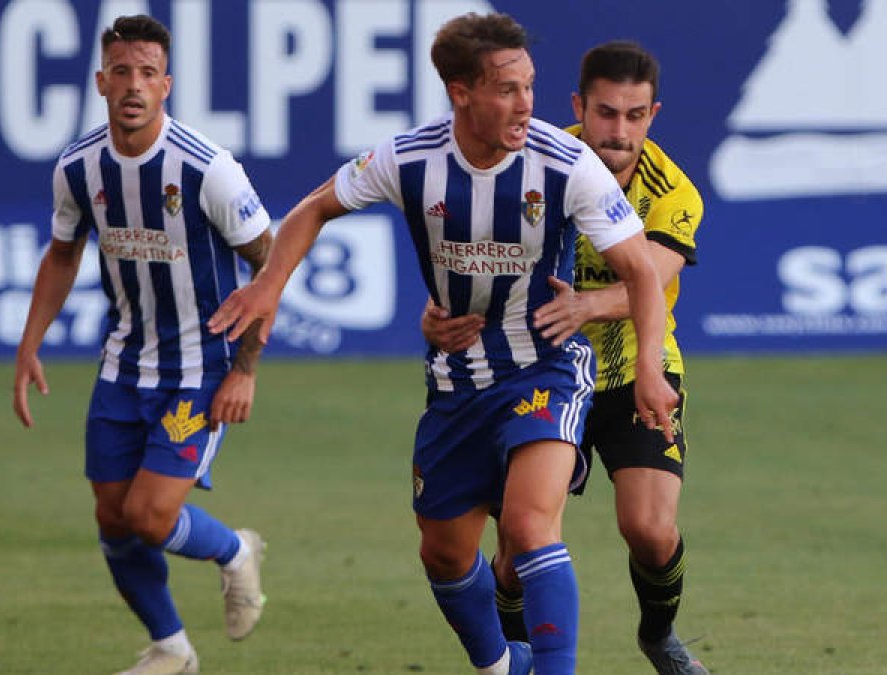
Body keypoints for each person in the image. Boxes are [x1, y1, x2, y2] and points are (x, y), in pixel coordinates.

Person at [207, 13, 678, 675]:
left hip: (543, 363)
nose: (526, 104)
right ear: (462, 94)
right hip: (458, 379)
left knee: (527, 526)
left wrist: (651, 367)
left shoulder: (565, 163)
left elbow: (640, 271)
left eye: (530, 86)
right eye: (508, 90)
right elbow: (314, 207)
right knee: (445, 553)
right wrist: (270, 286)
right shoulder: (407, 158)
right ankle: (498, 665)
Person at [423, 41, 708, 674]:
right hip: (538, 370)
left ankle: (659, 636)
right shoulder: (536, 160)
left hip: (638, 369)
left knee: (650, 530)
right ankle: (513, 661)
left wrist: (585, 307)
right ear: (580, 106)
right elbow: (472, 252)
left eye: (635, 116)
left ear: (653, 114)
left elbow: (650, 279)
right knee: (514, 555)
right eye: (606, 113)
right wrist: (437, 310)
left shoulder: (674, 192)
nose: (619, 130)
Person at [12, 15, 271, 675]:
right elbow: (63, 254)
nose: (134, 85)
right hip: (124, 364)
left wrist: (245, 369)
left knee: (151, 516)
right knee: (112, 516)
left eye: (148, 73)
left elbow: (269, 266)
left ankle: (235, 550)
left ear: (167, 85)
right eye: (122, 71)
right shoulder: (79, 167)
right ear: (101, 81)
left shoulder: (206, 167)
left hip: (201, 369)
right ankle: (172, 648)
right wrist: (29, 344)